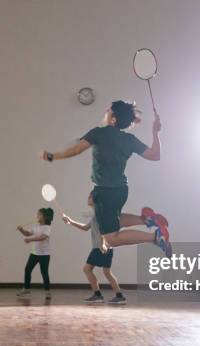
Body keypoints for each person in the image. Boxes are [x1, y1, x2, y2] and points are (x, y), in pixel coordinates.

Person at [42, 100, 172, 257]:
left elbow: (75, 151)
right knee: (115, 219)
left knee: (110, 239)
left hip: (105, 192)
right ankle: (147, 220)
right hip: (121, 190)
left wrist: (51, 156)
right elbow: (155, 155)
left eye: (109, 110)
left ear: (114, 118)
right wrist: (155, 132)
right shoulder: (129, 139)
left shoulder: (98, 133)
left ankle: (156, 238)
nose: (106, 111)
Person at [16, 208, 54, 300]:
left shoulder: (47, 228)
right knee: (27, 269)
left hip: (44, 254)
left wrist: (30, 240)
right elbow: (28, 234)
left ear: (44, 217)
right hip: (34, 253)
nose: (37, 216)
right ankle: (26, 289)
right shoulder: (35, 226)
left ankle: (47, 292)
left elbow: (43, 237)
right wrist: (21, 230)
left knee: (44, 272)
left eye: (39, 214)